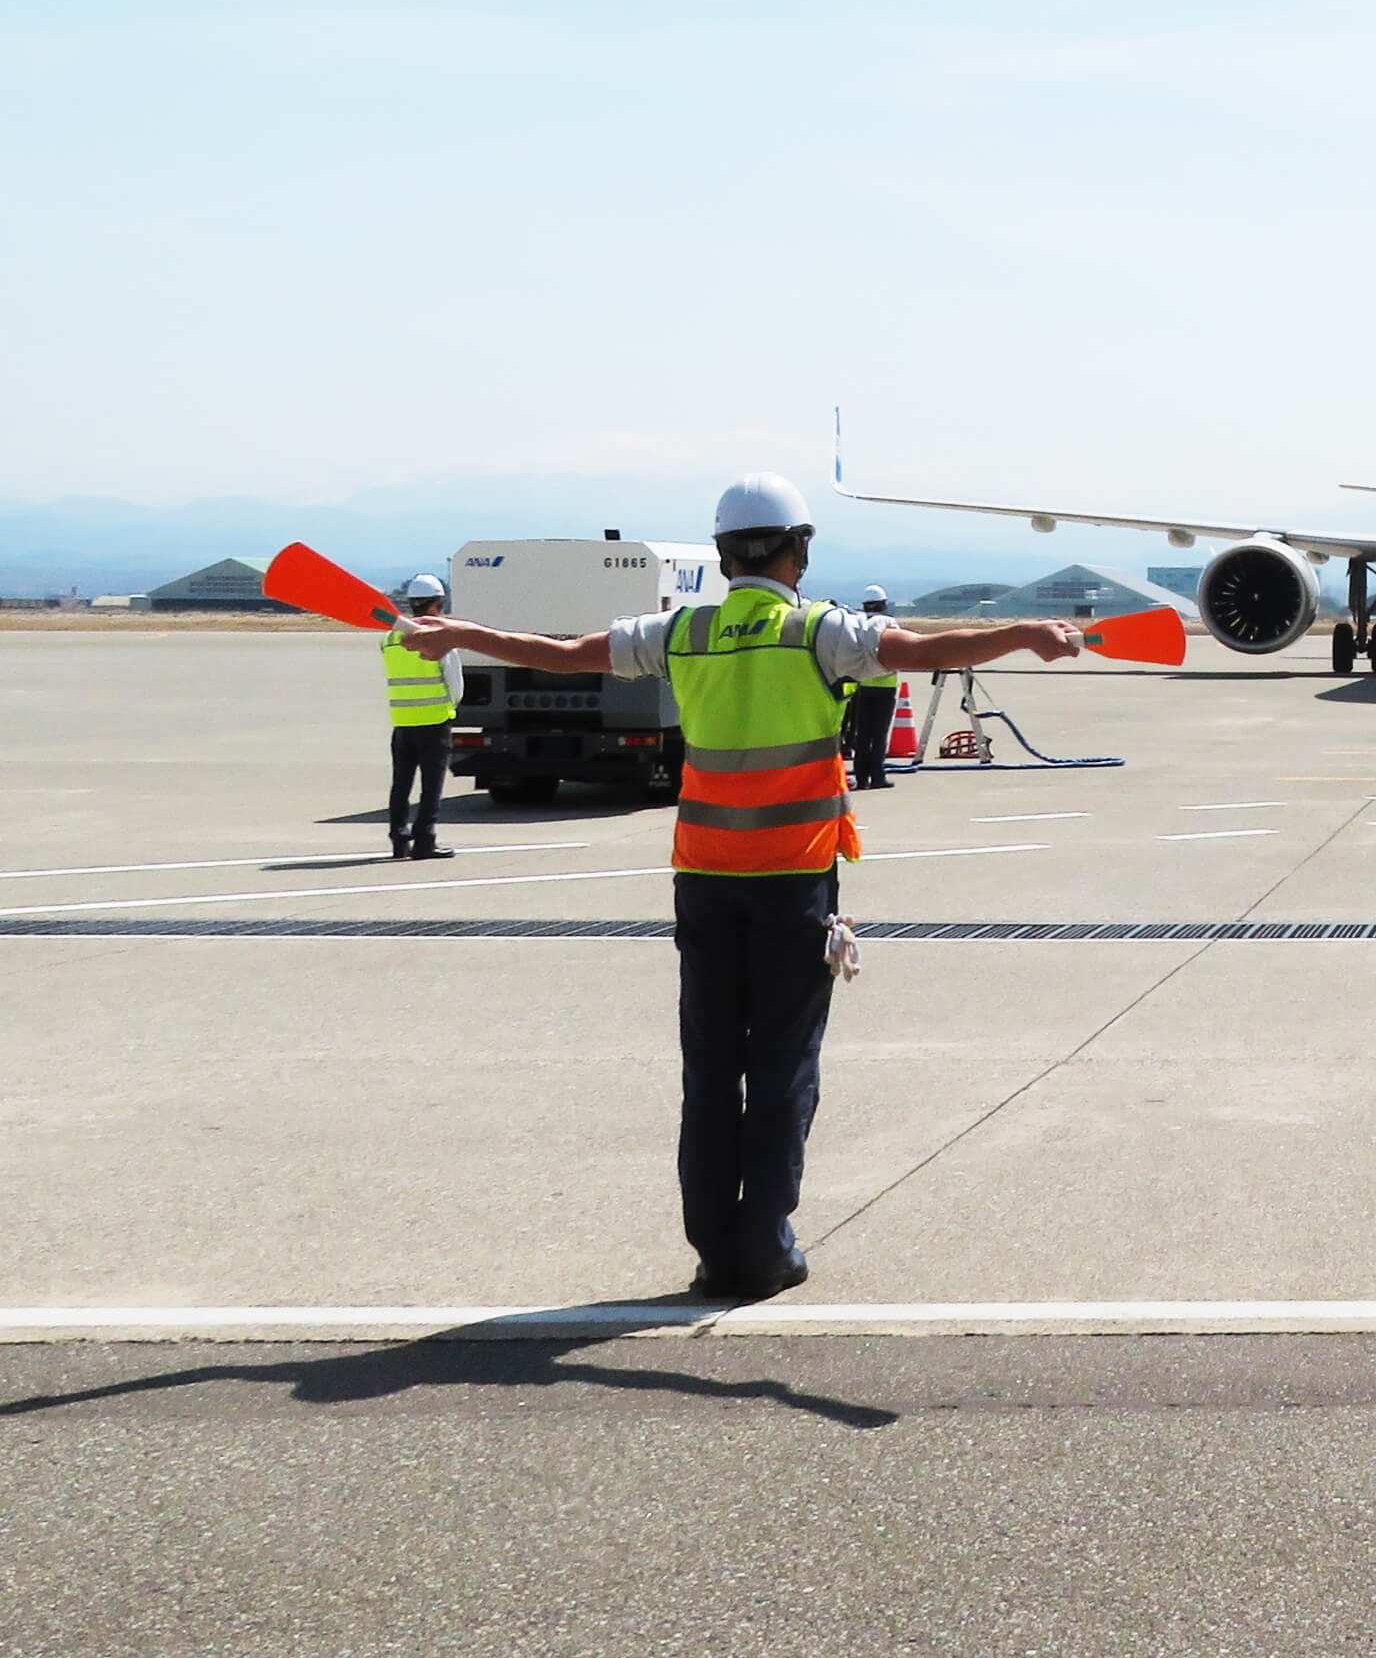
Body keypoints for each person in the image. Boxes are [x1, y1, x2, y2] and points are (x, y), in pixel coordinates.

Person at [397, 474, 1082, 1303]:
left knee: (713, 1065)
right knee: (784, 1061)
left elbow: (570, 653)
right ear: (799, 549)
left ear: (722, 556)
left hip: (705, 880)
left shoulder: (682, 631)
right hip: (793, 883)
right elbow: (916, 652)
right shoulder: (817, 632)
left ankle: (715, 1250)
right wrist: (1020, 633)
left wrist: (461, 632)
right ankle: (764, 1247)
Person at [381, 573, 461, 862]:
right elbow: (455, 684)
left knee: (400, 784)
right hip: (434, 721)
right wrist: (449, 708)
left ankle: (399, 840)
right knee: (431, 787)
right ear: (437, 603)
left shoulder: (389, 638)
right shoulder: (439, 637)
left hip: (402, 722)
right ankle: (424, 840)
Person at [842, 586, 900, 789]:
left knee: (863, 733)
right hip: (885, 686)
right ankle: (877, 776)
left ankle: (860, 778)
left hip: (863, 685)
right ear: (884, 604)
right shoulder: (890, 623)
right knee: (879, 734)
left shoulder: (858, 622)